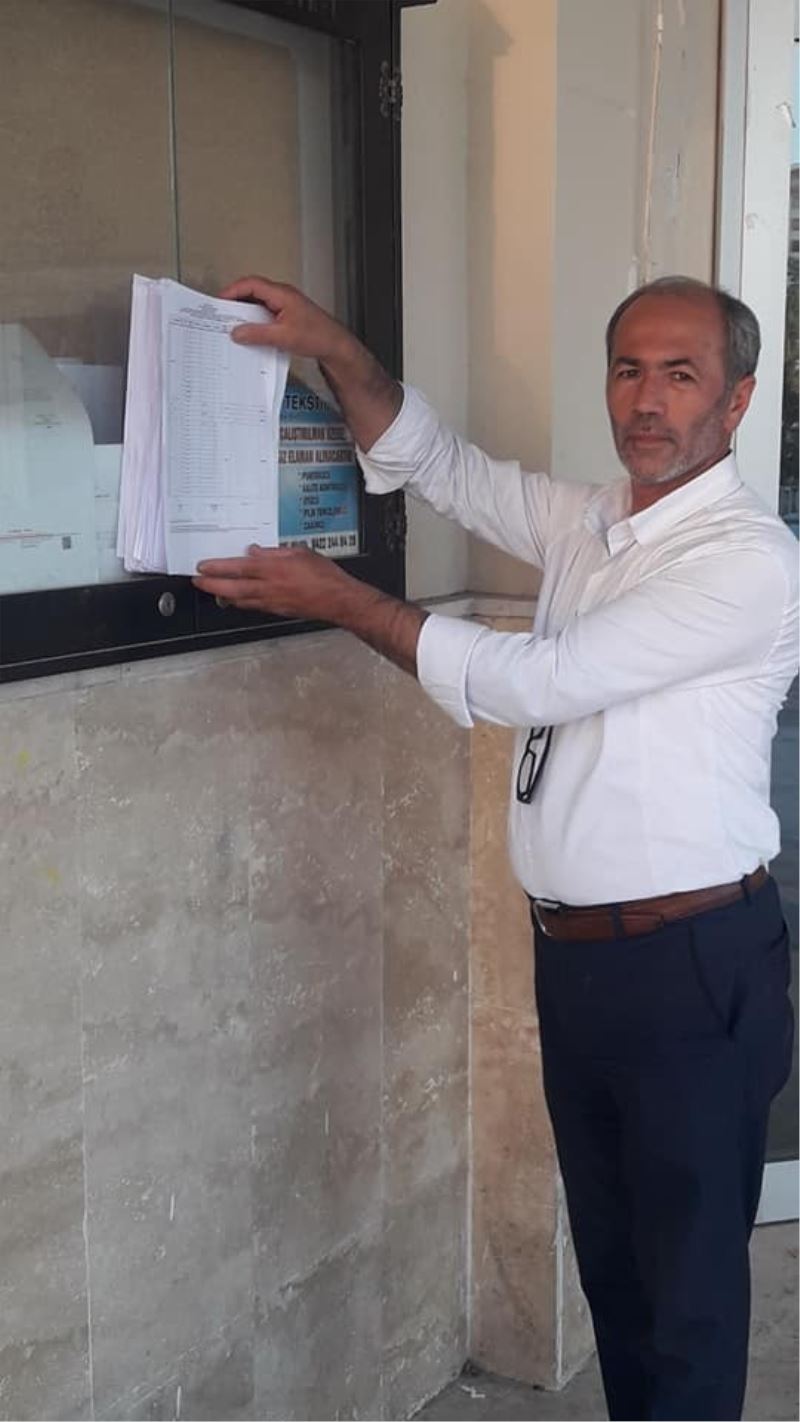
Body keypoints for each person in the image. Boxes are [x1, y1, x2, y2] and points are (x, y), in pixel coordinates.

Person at [193, 273, 798, 1422]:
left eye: (680, 375)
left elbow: (538, 682)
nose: (646, 400)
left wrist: (345, 601)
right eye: (628, 370)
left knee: (688, 1304)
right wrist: (337, 351)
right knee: (618, 1278)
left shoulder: (745, 561)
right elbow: (443, 466)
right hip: (581, 965)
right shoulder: (593, 522)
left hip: (690, 970)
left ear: (735, 400)